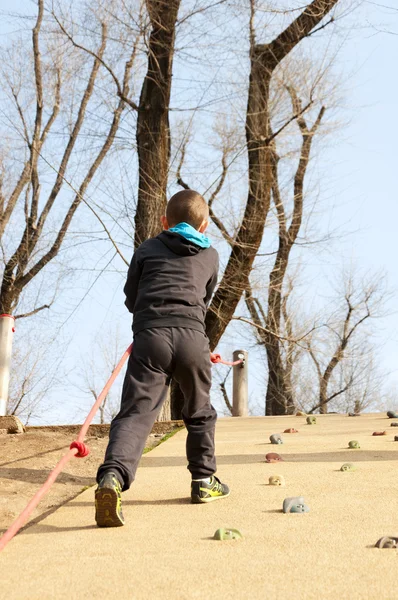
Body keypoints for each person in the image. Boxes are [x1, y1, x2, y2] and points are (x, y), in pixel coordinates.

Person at [95, 189, 230, 527]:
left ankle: (112, 477)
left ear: (164, 222)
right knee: (199, 411)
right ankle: (203, 481)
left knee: (137, 413)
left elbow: (132, 296)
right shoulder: (210, 254)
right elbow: (205, 298)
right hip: (192, 339)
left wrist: (148, 314)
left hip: (151, 338)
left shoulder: (147, 248)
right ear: (204, 224)